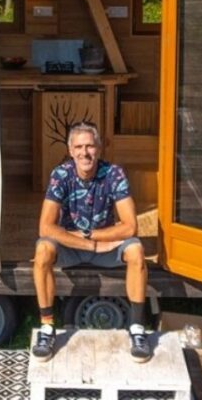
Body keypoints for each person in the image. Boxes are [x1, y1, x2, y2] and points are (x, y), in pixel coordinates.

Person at [31, 122, 151, 363]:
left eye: (89, 146)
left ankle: (137, 329)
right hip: (72, 247)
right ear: (70, 149)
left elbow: (130, 226)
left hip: (102, 245)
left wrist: (91, 237)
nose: (85, 152)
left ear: (99, 148)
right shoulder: (60, 175)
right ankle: (47, 328)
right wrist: (86, 243)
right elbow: (45, 226)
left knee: (136, 250)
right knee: (43, 248)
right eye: (79, 147)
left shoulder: (113, 173)